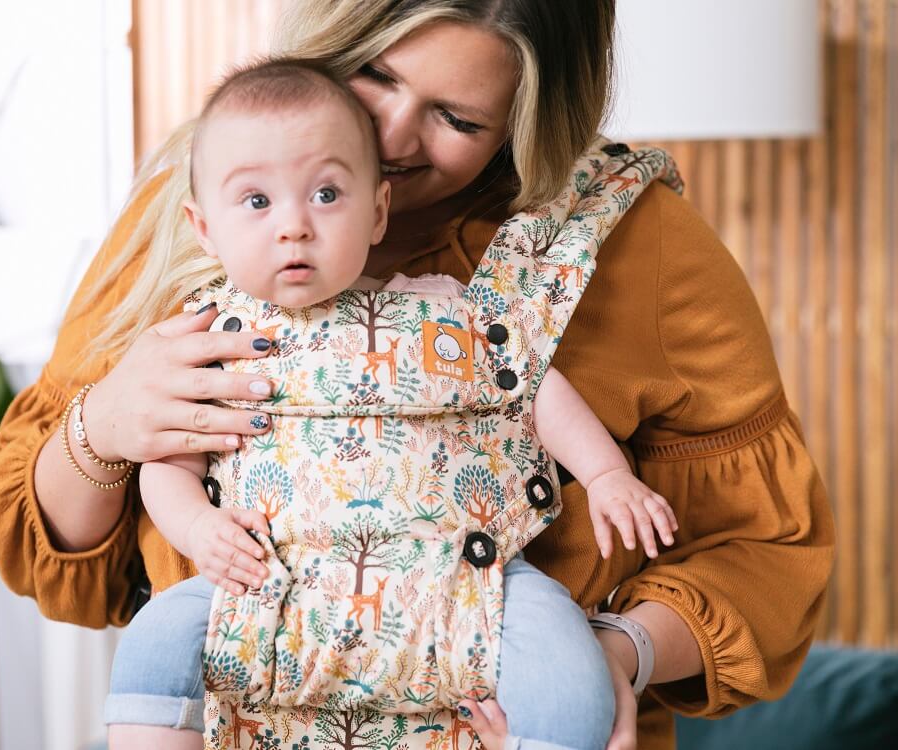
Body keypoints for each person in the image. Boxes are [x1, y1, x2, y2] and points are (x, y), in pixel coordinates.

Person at [0, 2, 835, 749]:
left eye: (456, 120)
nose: (391, 139)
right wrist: (105, 428)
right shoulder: (191, 203)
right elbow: (54, 563)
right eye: (374, 74)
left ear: (528, 120)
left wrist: (610, 654)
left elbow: (761, 553)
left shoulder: (634, 245)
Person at [105, 58, 679, 750]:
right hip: (271, 581)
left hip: (464, 581)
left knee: (565, 655)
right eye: (256, 202)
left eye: (325, 194)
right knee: (156, 639)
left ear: (376, 209)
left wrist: (606, 473)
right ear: (203, 228)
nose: (293, 226)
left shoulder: (446, 308)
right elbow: (165, 460)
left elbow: (529, 388)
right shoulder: (210, 338)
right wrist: (198, 530)